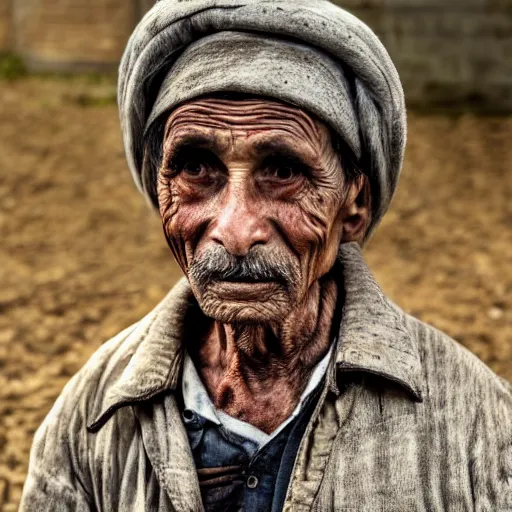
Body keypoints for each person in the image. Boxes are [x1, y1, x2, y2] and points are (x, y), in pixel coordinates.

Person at [20, 1, 512, 511]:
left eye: (282, 171)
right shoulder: (89, 422)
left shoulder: (479, 428)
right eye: (195, 167)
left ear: (354, 207)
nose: (235, 231)